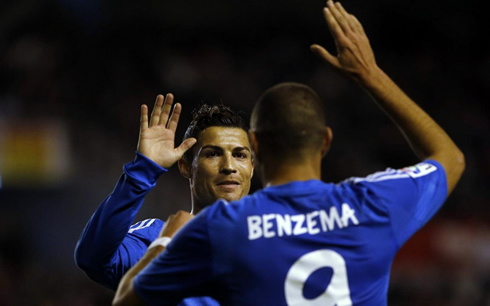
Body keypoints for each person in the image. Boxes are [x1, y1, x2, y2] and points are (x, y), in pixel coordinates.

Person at [112, 1, 465, 305]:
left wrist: (164, 241)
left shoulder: (219, 228)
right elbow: (449, 156)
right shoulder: (374, 202)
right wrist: (371, 76)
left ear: (256, 146)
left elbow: (127, 299)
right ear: (326, 141)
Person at [74, 94, 254, 305]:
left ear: (252, 167)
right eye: (212, 154)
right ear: (186, 166)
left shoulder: (281, 237)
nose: (229, 166)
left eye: (240, 155)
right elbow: (93, 259)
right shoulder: (158, 241)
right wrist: (143, 170)